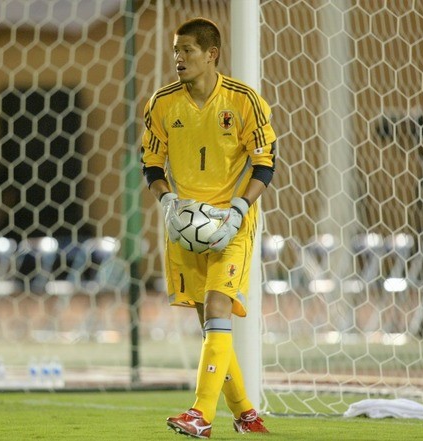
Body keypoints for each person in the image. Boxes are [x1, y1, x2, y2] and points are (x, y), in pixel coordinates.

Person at [140, 18, 277, 438]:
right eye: (176, 51)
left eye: (187, 51)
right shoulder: (161, 103)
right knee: (210, 327)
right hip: (185, 225)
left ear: (211, 54)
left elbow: (264, 161)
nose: (178, 58)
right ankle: (246, 415)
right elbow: (150, 165)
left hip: (231, 223)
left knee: (218, 309)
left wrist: (238, 209)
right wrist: (167, 202)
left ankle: (200, 414)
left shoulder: (243, 101)